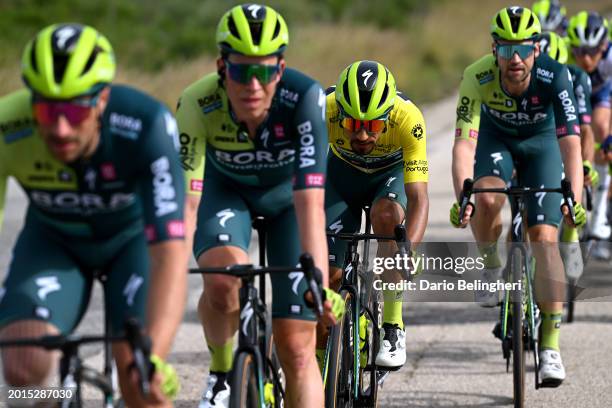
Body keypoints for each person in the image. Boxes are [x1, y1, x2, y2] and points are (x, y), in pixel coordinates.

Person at [0, 23, 186, 407]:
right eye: (47, 109)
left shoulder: (146, 125)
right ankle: (49, 399)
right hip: (54, 243)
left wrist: (153, 358)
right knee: (21, 368)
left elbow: (171, 251)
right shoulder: (7, 126)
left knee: (139, 379)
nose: (60, 126)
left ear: (102, 99)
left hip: (131, 243)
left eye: (74, 108)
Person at [176, 4, 340, 407]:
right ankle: (220, 372)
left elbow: (311, 206)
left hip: (290, 204)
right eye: (240, 70)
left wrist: (317, 281)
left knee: (299, 349)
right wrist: (168, 277)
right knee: (221, 282)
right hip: (224, 192)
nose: (252, 84)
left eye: (264, 71)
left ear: (280, 70)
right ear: (221, 66)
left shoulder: (304, 98)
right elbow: (186, 206)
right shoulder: (197, 103)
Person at [450, 7, 586, 387]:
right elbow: (463, 146)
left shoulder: (554, 76)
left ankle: (550, 347)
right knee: (487, 198)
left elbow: (571, 143)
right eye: (506, 49)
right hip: (496, 142)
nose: (515, 59)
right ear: (494, 50)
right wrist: (465, 193)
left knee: (544, 239)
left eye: (523, 49)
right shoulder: (476, 76)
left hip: (542, 146)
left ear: (536, 49)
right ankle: (492, 265)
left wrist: (572, 194)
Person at [321, 60, 428, 369]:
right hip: (341, 177)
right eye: (354, 125)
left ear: (388, 117)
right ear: (339, 113)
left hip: (388, 177)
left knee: (388, 217)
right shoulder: (322, 111)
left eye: (375, 126)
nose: (365, 135)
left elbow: (419, 198)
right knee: (328, 276)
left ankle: (393, 327)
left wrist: (408, 248)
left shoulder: (408, 119)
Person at [539, 31, 597, 277]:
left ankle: (571, 238)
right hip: (539, 140)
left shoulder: (576, 77)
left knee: (577, 175)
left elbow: (585, 129)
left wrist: (586, 164)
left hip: (566, 136)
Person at [567, 11, 612, 254]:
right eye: (579, 50)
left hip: (603, 96)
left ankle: (599, 219)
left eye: (592, 51)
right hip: (574, 95)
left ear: (603, 46)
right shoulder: (564, 54)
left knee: (602, 129)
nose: (585, 58)